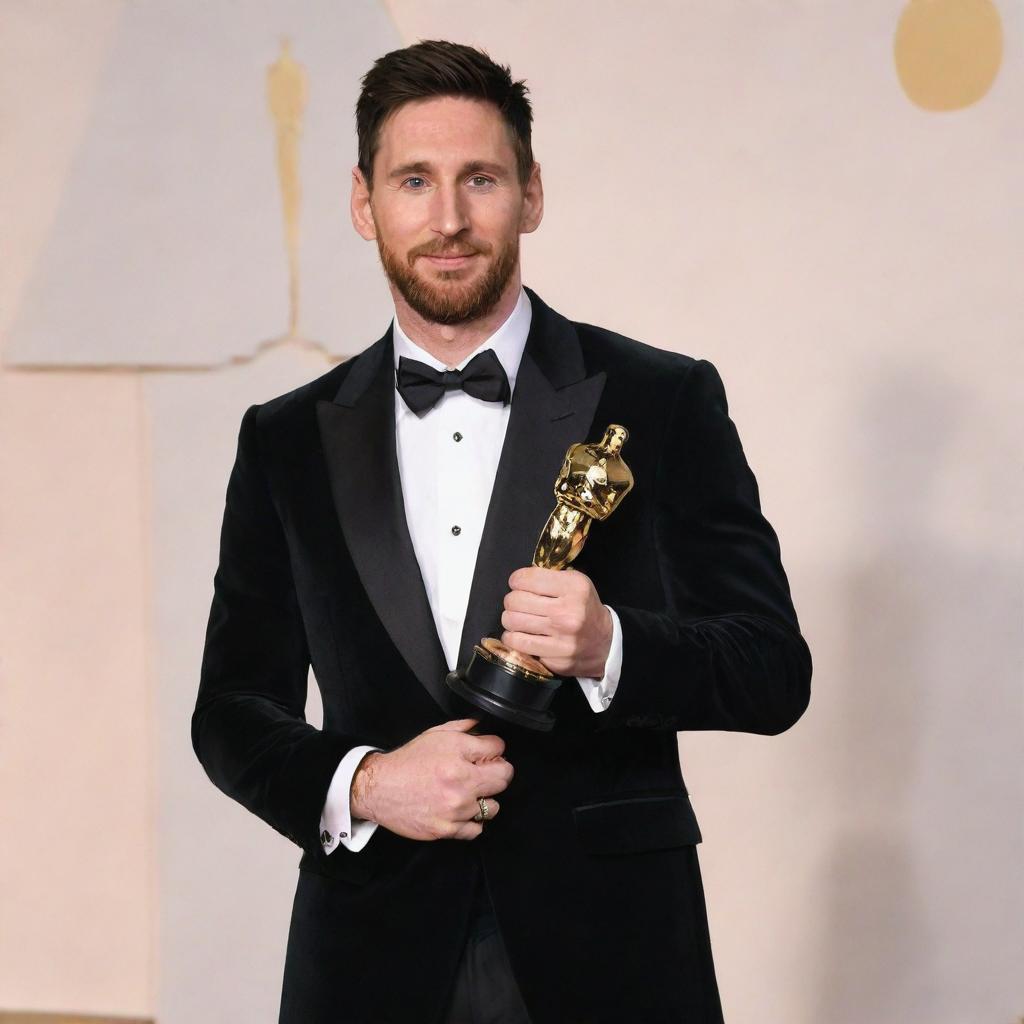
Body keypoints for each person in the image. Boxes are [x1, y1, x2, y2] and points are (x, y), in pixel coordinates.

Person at [192, 39, 812, 1024]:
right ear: (363, 202)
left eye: (479, 178)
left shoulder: (661, 400)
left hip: (611, 956)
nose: (447, 218)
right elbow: (230, 709)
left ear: (530, 193)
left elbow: (773, 671)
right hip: (369, 960)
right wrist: (364, 783)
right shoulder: (283, 441)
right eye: (413, 180)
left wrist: (610, 644)